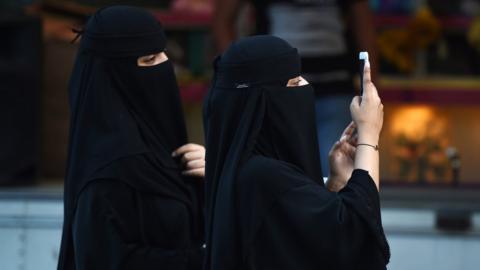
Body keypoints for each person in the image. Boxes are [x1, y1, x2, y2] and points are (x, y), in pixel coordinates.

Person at [203, 35, 389, 270]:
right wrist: (369, 135)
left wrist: (337, 184)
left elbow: (313, 243)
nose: (305, 86)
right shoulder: (264, 177)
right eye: (293, 82)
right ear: (262, 102)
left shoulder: (251, 172)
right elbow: (355, 239)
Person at [57, 6, 205, 270]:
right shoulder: (109, 174)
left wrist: (215, 179)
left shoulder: (165, 155)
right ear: (113, 77)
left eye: (164, 54)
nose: (164, 66)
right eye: (148, 60)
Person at [213, 0, 378, 174]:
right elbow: (222, 22)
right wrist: (242, 82)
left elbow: (365, 29)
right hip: (278, 92)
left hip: (334, 88)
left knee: (337, 172)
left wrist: (370, 92)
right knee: (281, 176)